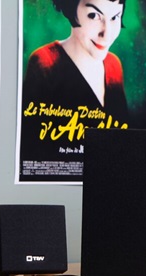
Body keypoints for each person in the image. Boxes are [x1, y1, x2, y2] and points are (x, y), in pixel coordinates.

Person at [19, 0, 129, 179]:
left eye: (115, 17)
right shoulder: (45, 63)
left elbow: (123, 145)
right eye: (94, 16)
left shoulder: (114, 66)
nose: (106, 34)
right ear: (72, 10)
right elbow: (32, 152)